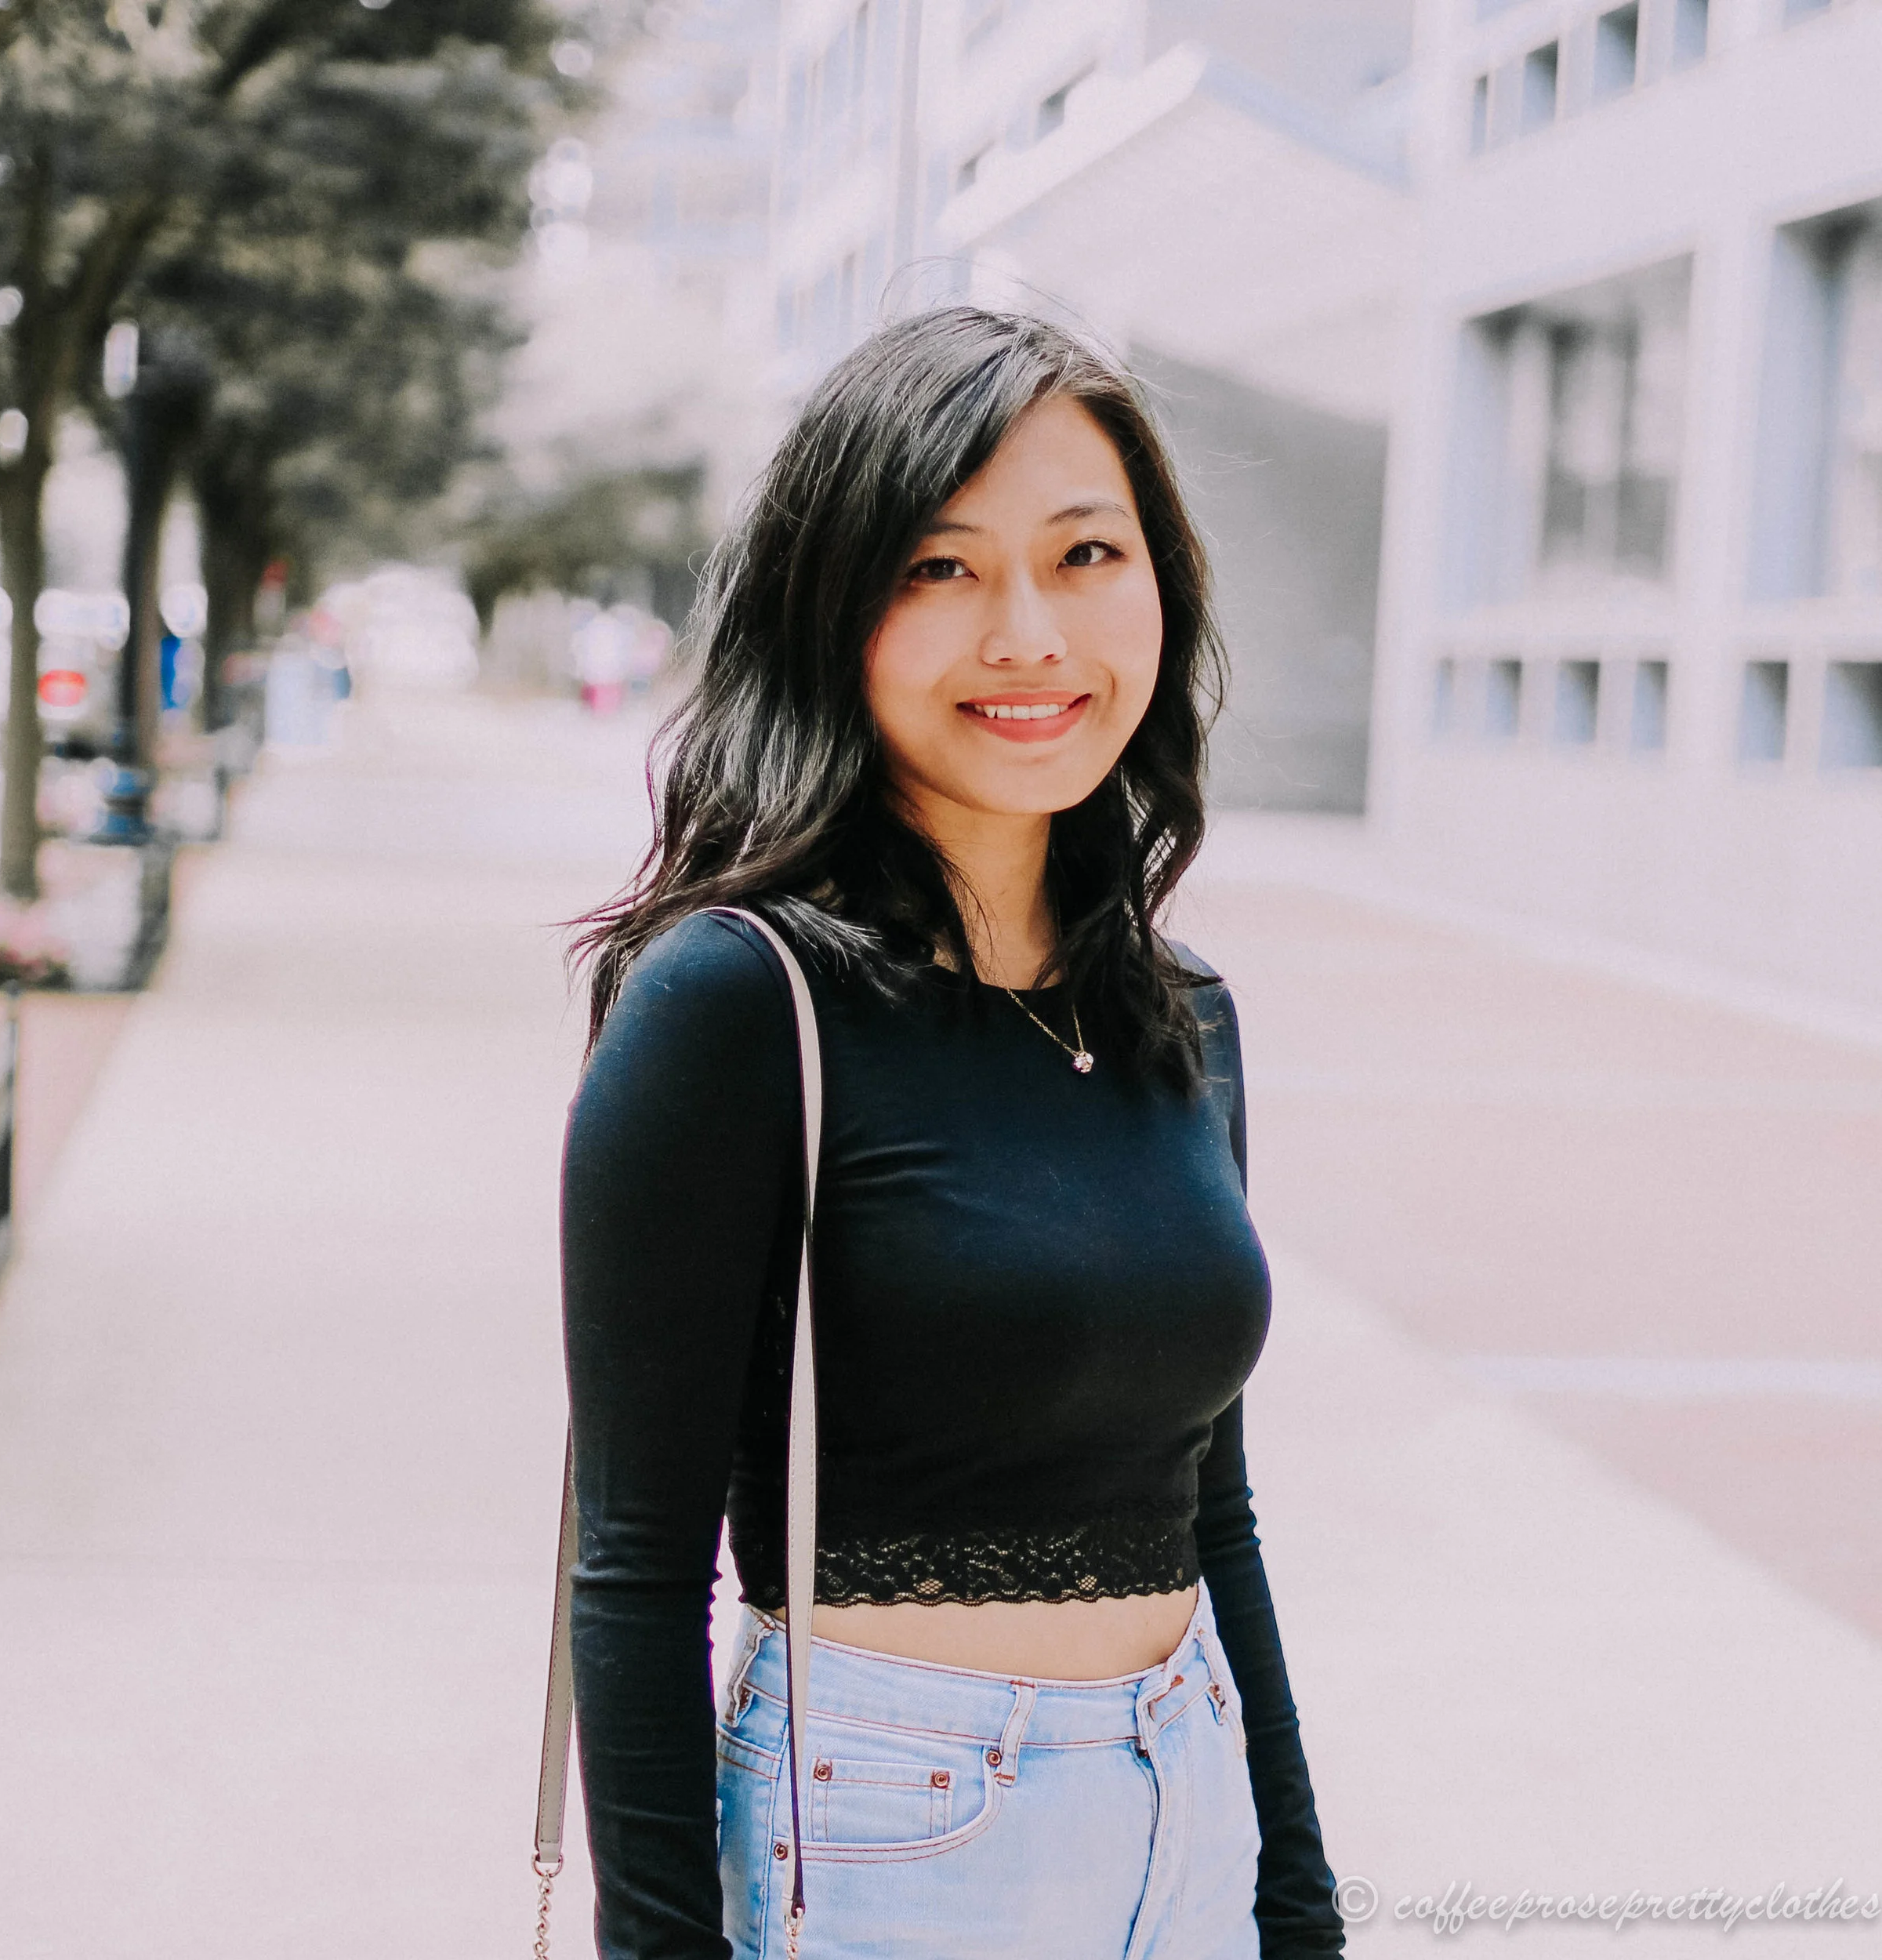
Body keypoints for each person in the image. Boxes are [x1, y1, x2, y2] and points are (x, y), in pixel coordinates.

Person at [560, 308, 1345, 1960]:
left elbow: (1213, 1506)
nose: (1027, 633)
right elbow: (637, 1571)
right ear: (831, 605)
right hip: (891, 1840)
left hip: (1189, 1806)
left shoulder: (1180, 1014)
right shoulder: (739, 999)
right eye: (940, 568)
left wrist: (1296, 1905)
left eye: (1084, 554)